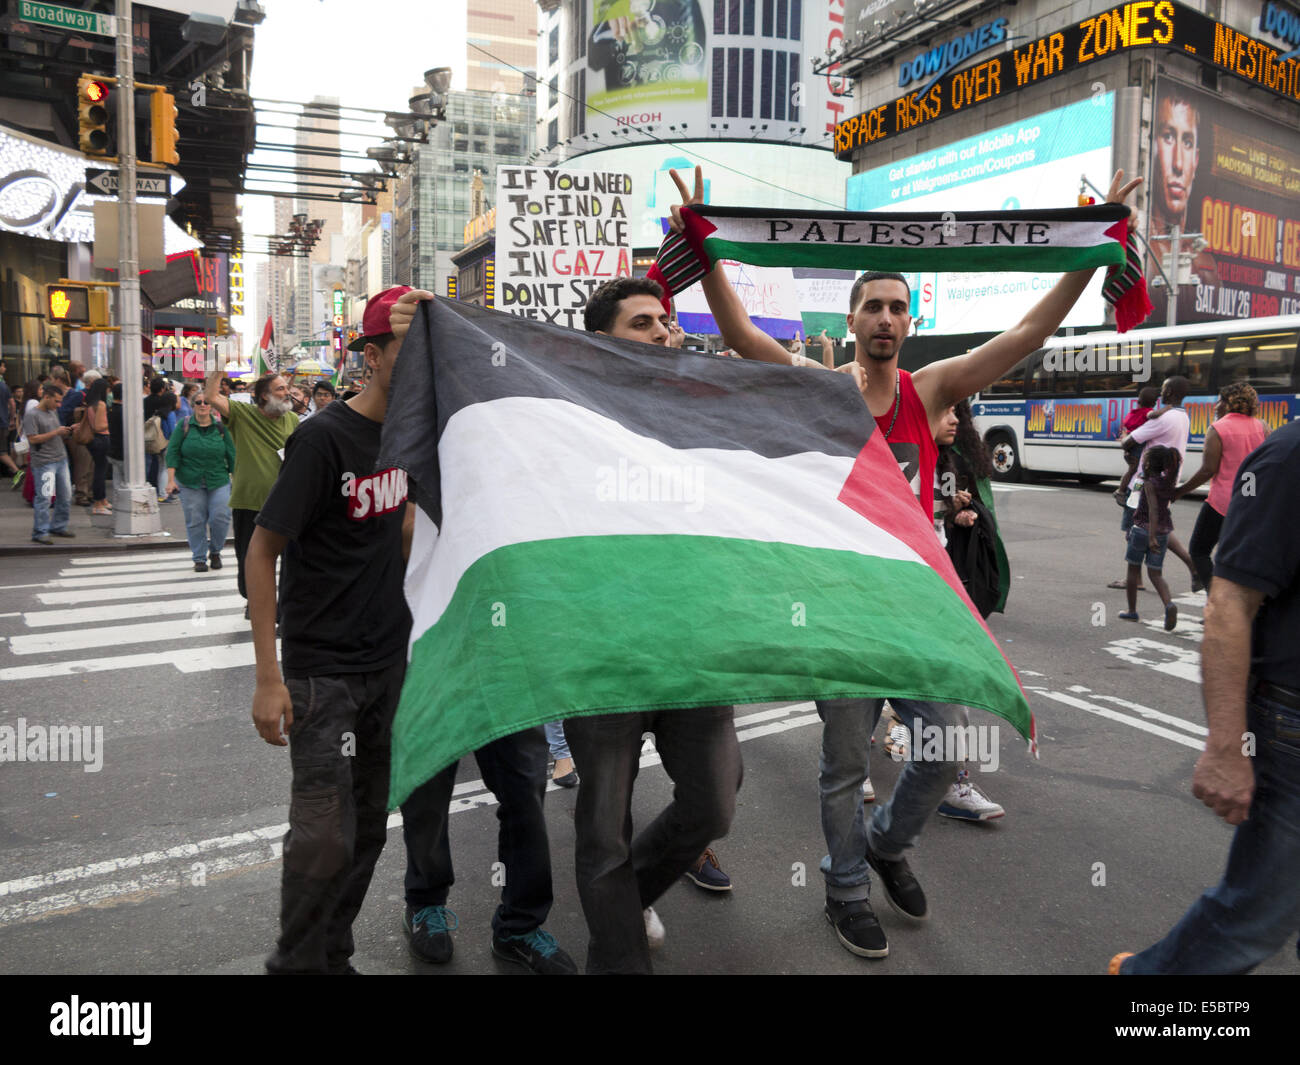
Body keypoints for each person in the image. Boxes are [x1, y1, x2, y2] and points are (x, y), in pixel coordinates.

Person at [665, 163, 1141, 959]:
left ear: (909, 322)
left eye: (896, 306)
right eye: (872, 306)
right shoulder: (821, 391)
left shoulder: (930, 392)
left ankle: (885, 845)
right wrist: (706, 249)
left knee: (946, 746)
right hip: (842, 609)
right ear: (851, 321)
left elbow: (1025, 337)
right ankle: (845, 888)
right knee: (844, 762)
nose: (885, 317)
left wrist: (1088, 249)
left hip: (914, 607)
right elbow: (746, 338)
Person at [377, 286, 577, 976]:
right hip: (429, 647)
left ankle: (520, 922)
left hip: (503, 650)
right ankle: (426, 899)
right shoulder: (384, 435)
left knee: (523, 792)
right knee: (427, 788)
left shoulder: (510, 434)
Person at [245, 287, 422, 974]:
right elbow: (263, 550)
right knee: (322, 836)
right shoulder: (322, 438)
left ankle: (331, 950)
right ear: (371, 356)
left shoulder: (414, 434)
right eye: (411, 346)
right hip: (323, 673)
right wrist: (268, 676)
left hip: (389, 663)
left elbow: (396, 527)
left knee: (370, 826)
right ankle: (296, 962)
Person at [1111, 417, 1300, 974]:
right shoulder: (1288, 458)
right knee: (1254, 918)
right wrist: (1225, 747)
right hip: (1291, 721)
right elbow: (1229, 604)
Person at [204, 366, 299, 613]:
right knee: (248, 557)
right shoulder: (242, 414)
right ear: (264, 395)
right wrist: (217, 366)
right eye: (281, 389)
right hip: (249, 503)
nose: (287, 393)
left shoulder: (293, 419)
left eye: (287, 388)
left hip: (286, 503)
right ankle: (254, 600)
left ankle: (285, 610)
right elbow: (212, 397)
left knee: (292, 561)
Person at [1172, 382, 1270, 591]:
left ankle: (1215, 602)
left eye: (1219, 400)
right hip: (1252, 502)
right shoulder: (1262, 426)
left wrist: (1180, 491)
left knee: (1199, 551)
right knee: (1238, 556)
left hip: (1222, 504)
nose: (1215, 405)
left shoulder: (1218, 429)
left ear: (1228, 403)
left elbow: (1208, 470)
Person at [1120, 375, 1199, 590]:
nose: (1159, 394)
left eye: (1163, 389)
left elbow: (1129, 441)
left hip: (1143, 482)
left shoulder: (1163, 419)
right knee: (1159, 526)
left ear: (1171, 392)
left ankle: (1134, 579)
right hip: (1168, 481)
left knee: (1136, 527)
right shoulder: (1182, 416)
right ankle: (1191, 565)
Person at [166, 392, 235, 572]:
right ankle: (199, 558)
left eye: (206, 402)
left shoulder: (221, 427)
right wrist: (171, 480)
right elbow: (173, 452)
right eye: (199, 402)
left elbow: (232, 454)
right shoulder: (184, 425)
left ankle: (215, 551)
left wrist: (237, 479)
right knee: (195, 519)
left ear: (212, 406)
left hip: (218, 479)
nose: (203, 405)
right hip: (190, 481)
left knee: (221, 517)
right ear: (193, 405)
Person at [1117, 444, 1180, 631]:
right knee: (1156, 573)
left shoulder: (1148, 483)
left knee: (1132, 570)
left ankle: (1131, 610)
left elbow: (1152, 509)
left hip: (1143, 531)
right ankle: (1169, 604)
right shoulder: (1167, 482)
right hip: (1163, 532)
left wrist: (1151, 536)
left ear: (1149, 463)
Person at [23, 382, 76, 545]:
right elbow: (32, 439)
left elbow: (55, 433)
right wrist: (57, 432)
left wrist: (66, 431)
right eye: (56, 401)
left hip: (60, 458)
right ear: (46, 397)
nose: (58, 405)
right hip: (44, 462)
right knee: (44, 498)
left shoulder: (53, 411)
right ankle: (40, 531)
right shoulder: (32, 415)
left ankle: (58, 526)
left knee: (65, 495)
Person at [82, 377, 112, 516]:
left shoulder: (90, 404)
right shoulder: (101, 405)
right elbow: (99, 426)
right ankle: (98, 503)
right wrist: (110, 422)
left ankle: (102, 500)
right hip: (101, 438)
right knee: (100, 472)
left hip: (93, 441)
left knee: (99, 470)